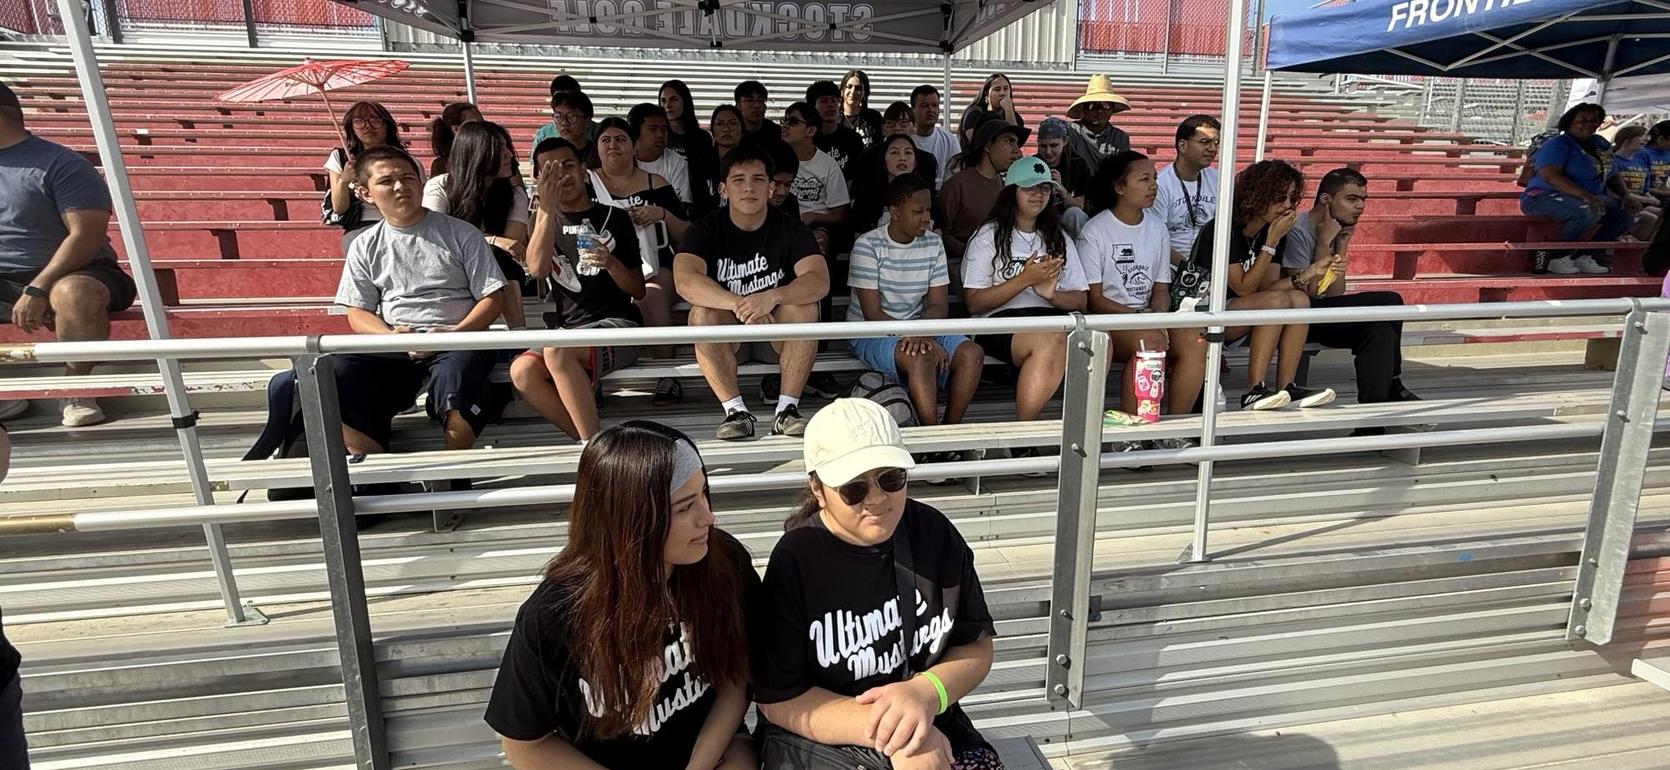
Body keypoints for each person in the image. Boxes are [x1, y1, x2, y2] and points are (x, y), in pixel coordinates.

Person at [486, 422, 759, 770]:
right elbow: (525, 745)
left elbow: (738, 675)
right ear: (631, 520)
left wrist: (698, 765)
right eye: (684, 507)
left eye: (704, 493)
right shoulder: (553, 614)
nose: (708, 517)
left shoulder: (723, 562)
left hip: (710, 751)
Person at [752, 398, 1003, 770]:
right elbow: (778, 699)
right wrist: (899, 735)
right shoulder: (796, 560)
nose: (877, 498)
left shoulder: (933, 532)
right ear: (817, 489)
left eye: (891, 478)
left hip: (934, 722)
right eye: (853, 488)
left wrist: (925, 692)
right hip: (836, 743)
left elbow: (976, 644)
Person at [331, 146, 505, 455]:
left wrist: (455, 334)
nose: (400, 186)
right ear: (365, 193)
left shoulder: (462, 234)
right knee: (336, 372)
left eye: (408, 178)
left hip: (458, 339)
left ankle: (454, 474)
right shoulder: (364, 245)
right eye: (387, 181)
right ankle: (377, 471)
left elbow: (492, 298)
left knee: (457, 385)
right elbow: (357, 312)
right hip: (396, 343)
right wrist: (390, 337)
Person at [0, 81, 139, 426]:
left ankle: (76, 388)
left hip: (79, 270)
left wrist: (38, 287)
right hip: (5, 278)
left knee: (74, 292)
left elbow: (86, 236)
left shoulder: (60, 163)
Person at [675, 144, 828, 441]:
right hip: (730, 336)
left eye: (758, 179)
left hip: (775, 335)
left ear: (771, 188)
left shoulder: (791, 228)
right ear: (723, 189)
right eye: (738, 179)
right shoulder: (704, 229)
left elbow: (818, 280)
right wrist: (741, 305)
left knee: (805, 305)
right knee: (702, 313)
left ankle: (787, 410)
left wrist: (772, 297)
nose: (749, 187)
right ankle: (736, 413)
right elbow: (686, 281)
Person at [514, 137, 647, 443]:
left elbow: (638, 290)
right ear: (539, 179)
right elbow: (537, 269)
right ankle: (595, 443)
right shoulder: (540, 221)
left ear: (584, 169)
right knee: (522, 371)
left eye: (568, 165)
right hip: (570, 330)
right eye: (550, 171)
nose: (562, 175)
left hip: (619, 326)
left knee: (558, 350)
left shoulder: (615, 217)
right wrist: (546, 209)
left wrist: (611, 263)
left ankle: (591, 446)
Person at [1077, 151, 1204, 448]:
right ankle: (1130, 434)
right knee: (1150, 340)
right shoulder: (1094, 231)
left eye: (1155, 179)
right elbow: (1094, 299)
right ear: (1119, 187)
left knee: (1196, 340)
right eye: (1144, 179)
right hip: (1108, 321)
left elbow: (1160, 289)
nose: (1153, 186)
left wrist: (1157, 317)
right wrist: (1144, 321)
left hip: (1146, 318)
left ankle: (1173, 430)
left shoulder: (1157, 227)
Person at [1188, 160, 1337, 412]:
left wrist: (1309, 273)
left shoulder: (1273, 231)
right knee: (1276, 302)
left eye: (1292, 198)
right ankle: (1254, 390)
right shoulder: (1223, 229)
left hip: (1241, 310)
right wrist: (1270, 243)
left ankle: (1287, 386)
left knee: (1299, 299)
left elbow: (1269, 286)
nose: (1287, 205)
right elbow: (1244, 288)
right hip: (1204, 312)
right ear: (1256, 195)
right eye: (1280, 197)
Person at [962, 156, 1086, 458]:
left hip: (1050, 318)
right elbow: (974, 301)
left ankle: (1081, 433)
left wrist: (1051, 295)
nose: (1038, 195)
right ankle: (1021, 437)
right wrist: (1024, 280)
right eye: (1029, 188)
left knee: (1097, 342)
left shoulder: (1058, 236)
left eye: (1045, 188)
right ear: (1011, 192)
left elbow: (1081, 300)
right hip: (999, 322)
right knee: (1052, 340)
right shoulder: (988, 234)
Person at [847, 176, 984, 438]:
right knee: (921, 356)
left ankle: (950, 433)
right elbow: (872, 314)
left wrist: (921, 332)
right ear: (895, 213)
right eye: (918, 211)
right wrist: (915, 334)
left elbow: (938, 304)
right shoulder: (867, 245)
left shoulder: (933, 243)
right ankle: (930, 441)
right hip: (871, 332)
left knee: (972, 353)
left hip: (919, 327)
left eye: (929, 210)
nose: (926, 218)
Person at [1280, 168, 1421, 411]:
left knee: (1380, 330)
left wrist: (1341, 246)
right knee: (1389, 300)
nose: (1360, 206)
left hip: (1322, 314)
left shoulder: (1338, 229)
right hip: (1296, 319)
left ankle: (1372, 418)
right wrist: (1323, 243)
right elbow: (1309, 294)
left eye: (1363, 200)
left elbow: (1335, 294)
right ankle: (1393, 384)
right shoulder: (1298, 231)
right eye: (1352, 199)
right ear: (1326, 199)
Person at [591, 117, 690, 397]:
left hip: (656, 264)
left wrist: (661, 214)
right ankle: (591, 377)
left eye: (620, 139)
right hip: (601, 266)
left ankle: (667, 375)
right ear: (597, 147)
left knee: (651, 295)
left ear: (634, 145)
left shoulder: (655, 183)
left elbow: (687, 232)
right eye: (606, 140)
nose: (613, 145)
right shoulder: (586, 183)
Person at [421, 120, 530, 329]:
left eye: (507, 146)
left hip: (492, 265)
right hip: (446, 262)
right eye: (500, 147)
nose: (509, 154)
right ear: (477, 151)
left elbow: (512, 244)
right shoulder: (441, 186)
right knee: (492, 253)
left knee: (497, 257)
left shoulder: (514, 195)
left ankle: (518, 330)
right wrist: (493, 239)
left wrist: (492, 243)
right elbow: (435, 233)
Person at [1521, 103, 1634, 275]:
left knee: (1625, 213)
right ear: (1570, 122)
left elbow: (1613, 172)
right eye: (1583, 120)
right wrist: (1585, 195)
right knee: (1586, 211)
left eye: (1594, 120)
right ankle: (1556, 257)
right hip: (1543, 197)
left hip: (1587, 197)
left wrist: (1626, 196)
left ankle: (1587, 255)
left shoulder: (1600, 143)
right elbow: (1550, 175)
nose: (1588, 124)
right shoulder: (1557, 144)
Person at [941, 121, 1028, 261]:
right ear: (988, 146)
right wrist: (971, 251)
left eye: (1017, 144)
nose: (1017, 150)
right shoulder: (958, 184)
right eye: (1008, 141)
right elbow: (942, 232)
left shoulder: (1006, 185)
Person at [324, 100, 403, 252]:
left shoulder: (404, 160)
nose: (367, 126)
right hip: (361, 226)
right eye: (359, 121)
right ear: (352, 128)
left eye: (375, 120)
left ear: (387, 126)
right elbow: (339, 208)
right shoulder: (341, 158)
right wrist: (344, 180)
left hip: (397, 223)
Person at [781, 101, 851, 256]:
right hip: (783, 220)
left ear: (810, 130)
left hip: (819, 225)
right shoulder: (776, 161)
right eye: (784, 120)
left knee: (817, 244)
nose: (785, 125)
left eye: (792, 121)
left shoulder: (829, 165)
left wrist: (811, 216)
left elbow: (839, 215)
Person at [1150, 114, 1222, 264]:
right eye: (1205, 142)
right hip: (1171, 268)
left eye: (1216, 143)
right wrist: (1189, 269)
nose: (1213, 148)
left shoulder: (1219, 180)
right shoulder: (1160, 184)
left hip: (1211, 265)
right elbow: (1157, 240)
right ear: (1182, 146)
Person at [850, 134, 938, 235]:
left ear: (915, 163)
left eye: (908, 152)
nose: (902, 158)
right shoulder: (866, 198)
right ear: (883, 161)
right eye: (894, 152)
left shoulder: (927, 197)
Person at [661, 79, 720, 216]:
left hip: (697, 206)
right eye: (663, 101)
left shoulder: (702, 137)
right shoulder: (659, 137)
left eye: (673, 99)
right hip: (665, 204)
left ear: (685, 101)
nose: (668, 105)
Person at [630, 103, 693, 207]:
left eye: (664, 130)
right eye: (653, 129)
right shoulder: (624, 159)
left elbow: (682, 207)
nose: (660, 134)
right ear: (635, 133)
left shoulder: (678, 163)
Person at [1607, 125, 1662, 242]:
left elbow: (1645, 190)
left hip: (1640, 204)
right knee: (1651, 218)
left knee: (1663, 216)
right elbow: (1613, 192)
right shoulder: (1613, 161)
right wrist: (1647, 200)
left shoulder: (1641, 162)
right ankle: (1634, 247)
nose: (1646, 140)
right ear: (1627, 139)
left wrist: (1650, 198)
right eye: (1641, 136)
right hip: (1621, 204)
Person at [1062, 74, 1132, 166]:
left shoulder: (1120, 138)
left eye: (1105, 105)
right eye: (1093, 106)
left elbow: (1122, 169)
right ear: (1084, 109)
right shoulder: (1071, 132)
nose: (1099, 111)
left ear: (1112, 110)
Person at [806, 80, 865, 173]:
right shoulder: (806, 139)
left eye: (833, 100)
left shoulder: (853, 139)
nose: (830, 105)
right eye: (823, 101)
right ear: (813, 107)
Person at [909, 86, 960, 190]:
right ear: (912, 110)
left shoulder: (950, 140)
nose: (931, 110)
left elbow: (957, 175)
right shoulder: (903, 140)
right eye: (924, 106)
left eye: (935, 105)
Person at [958, 73, 1024, 150]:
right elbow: (975, 143)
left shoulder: (1015, 117)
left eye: (1006, 89)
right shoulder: (974, 113)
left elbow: (1015, 143)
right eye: (997, 89)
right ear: (986, 95)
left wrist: (1008, 109)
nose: (1002, 93)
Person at [532, 90, 596, 167]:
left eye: (571, 116)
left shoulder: (600, 155)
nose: (564, 123)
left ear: (587, 121)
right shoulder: (547, 155)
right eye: (558, 116)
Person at [427, 101, 481, 177]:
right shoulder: (441, 165)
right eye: (474, 124)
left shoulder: (491, 157)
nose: (482, 127)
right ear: (456, 129)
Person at [839, 69, 884, 146]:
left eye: (858, 88)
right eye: (849, 87)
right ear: (842, 91)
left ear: (865, 93)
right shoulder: (833, 117)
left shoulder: (874, 118)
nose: (853, 91)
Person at [735, 80, 781, 145]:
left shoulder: (777, 133)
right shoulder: (731, 132)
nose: (756, 105)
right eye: (750, 100)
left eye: (760, 100)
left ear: (765, 106)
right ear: (738, 105)